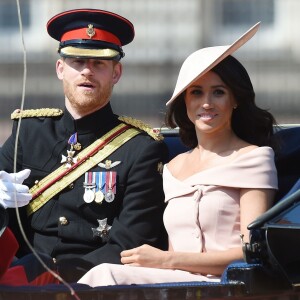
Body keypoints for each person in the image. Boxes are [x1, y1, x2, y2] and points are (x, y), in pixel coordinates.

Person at [77, 22, 279, 287]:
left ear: (235, 99)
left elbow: (252, 252)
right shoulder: (173, 167)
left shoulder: (254, 158)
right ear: (185, 100)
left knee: (106, 275)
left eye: (218, 92)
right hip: (177, 285)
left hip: (227, 286)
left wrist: (166, 260)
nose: (206, 103)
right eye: (196, 92)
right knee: (98, 275)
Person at [0, 8, 168, 282]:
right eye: (77, 61)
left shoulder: (141, 148)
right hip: (18, 279)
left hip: (90, 284)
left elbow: (131, 245)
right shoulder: (27, 133)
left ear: (116, 73)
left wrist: (55, 274)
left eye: (99, 63)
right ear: (60, 69)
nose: (87, 71)